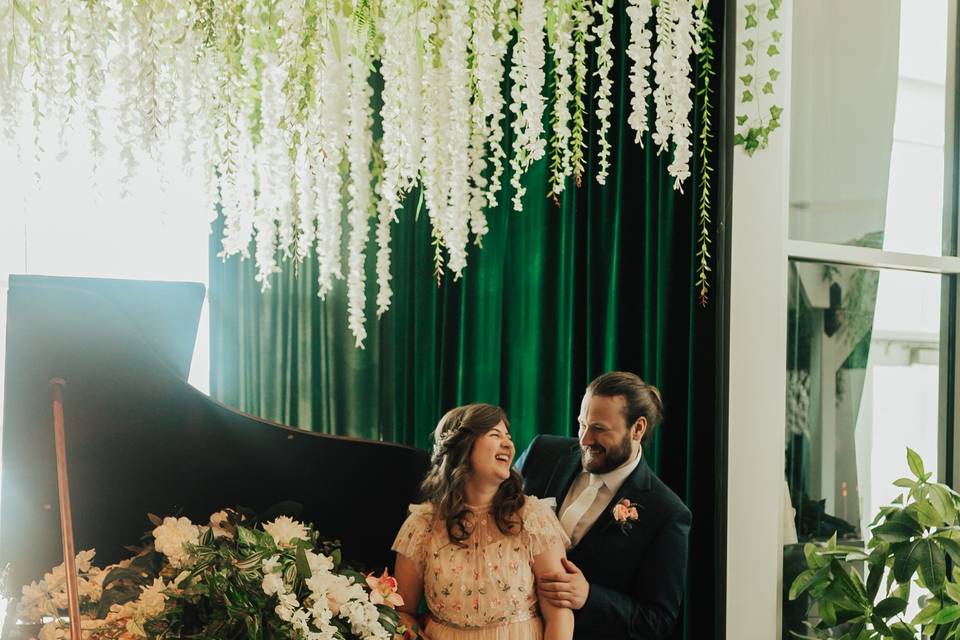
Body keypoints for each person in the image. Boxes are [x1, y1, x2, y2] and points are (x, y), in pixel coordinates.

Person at [515, 372, 691, 640]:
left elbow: (657, 622)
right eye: (581, 424)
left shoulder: (667, 513)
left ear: (638, 429)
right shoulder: (542, 453)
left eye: (598, 428)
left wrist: (589, 597)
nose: (584, 439)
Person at [392, 403, 574, 640]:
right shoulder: (421, 526)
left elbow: (559, 614)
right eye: (495, 435)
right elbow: (402, 612)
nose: (508, 444)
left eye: (508, 436)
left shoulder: (533, 518)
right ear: (463, 448)